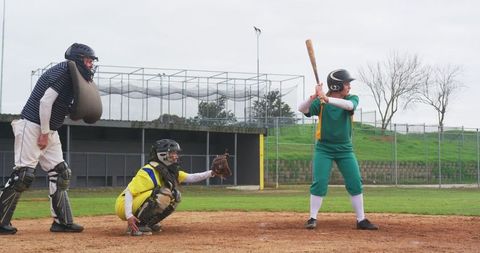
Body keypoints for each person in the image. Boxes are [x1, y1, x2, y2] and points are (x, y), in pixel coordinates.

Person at [0, 43, 98, 234]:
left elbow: (59, 104)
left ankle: (62, 222)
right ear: (77, 59)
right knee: (23, 175)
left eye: (91, 61)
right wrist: (44, 133)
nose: (90, 65)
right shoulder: (63, 71)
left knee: (61, 173)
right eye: (87, 60)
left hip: (50, 129)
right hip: (33, 125)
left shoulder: (73, 75)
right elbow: (45, 102)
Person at [298, 69, 378, 230]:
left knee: (355, 181)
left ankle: (361, 219)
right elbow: (302, 109)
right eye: (346, 83)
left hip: (345, 149)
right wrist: (313, 97)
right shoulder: (320, 103)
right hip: (324, 149)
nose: (349, 87)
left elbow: (349, 106)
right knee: (319, 182)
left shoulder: (351, 99)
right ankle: (312, 218)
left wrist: (326, 98)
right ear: (337, 85)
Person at [115, 139, 225, 236]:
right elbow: (130, 192)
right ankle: (137, 225)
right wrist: (129, 215)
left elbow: (191, 177)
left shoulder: (168, 170)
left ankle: (148, 222)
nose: (176, 156)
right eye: (172, 153)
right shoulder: (148, 171)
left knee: (175, 196)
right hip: (124, 205)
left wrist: (213, 172)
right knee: (165, 193)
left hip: (137, 203)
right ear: (162, 154)